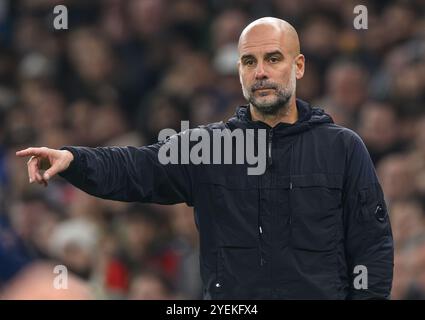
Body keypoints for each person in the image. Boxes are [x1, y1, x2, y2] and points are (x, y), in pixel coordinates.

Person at [16, 17, 394, 299]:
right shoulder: (208, 148)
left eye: (273, 59)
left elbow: (372, 246)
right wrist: (75, 159)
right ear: (240, 72)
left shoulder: (343, 148)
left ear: (298, 66)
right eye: (249, 62)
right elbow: (137, 168)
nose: (260, 72)